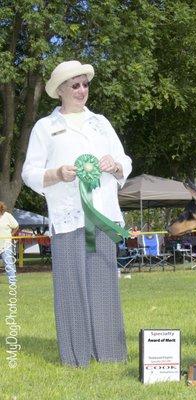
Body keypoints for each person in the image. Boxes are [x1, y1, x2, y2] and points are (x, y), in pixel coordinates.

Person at [22, 60, 132, 367]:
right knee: (70, 284)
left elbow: (125, 159)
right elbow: (30, 172)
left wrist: (116, 164)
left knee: (103, 283)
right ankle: (76, 356)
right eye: (75, 85)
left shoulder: (101, 123)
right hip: (68, 217)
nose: (82, 90)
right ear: (60, 91)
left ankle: (110, 353)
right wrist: (57, 173)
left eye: (85, 84)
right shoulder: (45, 127)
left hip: (103, 216)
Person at [0, 202, 19, 282]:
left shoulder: (7, 216)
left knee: (8, 263)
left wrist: (11, 235)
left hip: (6, 244)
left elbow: (16, 226)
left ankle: (12, 281)